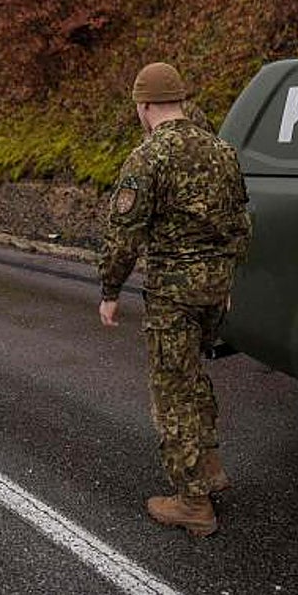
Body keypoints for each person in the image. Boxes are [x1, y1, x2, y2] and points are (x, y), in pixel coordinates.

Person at [97, 61, 251, 537]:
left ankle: (192, 502)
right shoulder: (222, 151)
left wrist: (109, 290)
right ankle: (209, 467)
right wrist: (226, 282)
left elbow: (124, 236)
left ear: (144, 107)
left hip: (172, 295)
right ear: (182, 100)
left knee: (172, 392)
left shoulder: (147, 159)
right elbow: (241, 223)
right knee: (194, 378)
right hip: (213, 290)